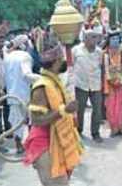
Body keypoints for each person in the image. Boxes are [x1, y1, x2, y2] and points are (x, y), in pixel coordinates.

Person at [23, 36, 83, 186]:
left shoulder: (54, 80)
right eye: (62, 58)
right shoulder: (42, 85)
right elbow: (36, 120)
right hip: (44, 144)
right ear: (56, 62)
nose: (64, 61)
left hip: (57, 141)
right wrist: (63, 111)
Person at [4, 34, 40, 153]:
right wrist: (44, 78)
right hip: (24, 94)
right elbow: (27, 74)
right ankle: (31, 144)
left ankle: (19, 145)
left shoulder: (8, 57)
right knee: (31, 119)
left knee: (16, 121)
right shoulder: (25, 56)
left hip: (11, 94)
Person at [72, 29, 104, 143]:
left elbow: (102, 67)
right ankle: (79, 131)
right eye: (92, 37)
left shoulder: (100, 52)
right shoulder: (76, 50)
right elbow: (71, 67)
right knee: (80, 109)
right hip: (81, 84)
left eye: (96, 37)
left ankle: (95, 132)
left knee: (97, 109)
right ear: (85, 38)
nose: (95, 40)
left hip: (95, 84)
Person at [102, 30, 122, 137]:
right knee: (111, 106)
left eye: (116, 39)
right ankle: (114, 128)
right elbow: (102, 69)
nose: (115, 40)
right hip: (109, 83)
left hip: (121, 82)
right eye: (112, 38)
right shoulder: (104, 53)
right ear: (108, 40)